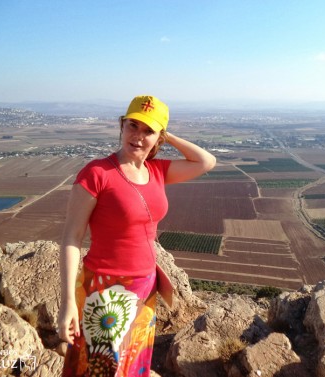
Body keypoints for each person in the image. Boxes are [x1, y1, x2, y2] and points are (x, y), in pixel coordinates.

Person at [58, 95, 216, 376]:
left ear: (159, 137)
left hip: (145, 285)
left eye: (148, 131)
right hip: (105, 289)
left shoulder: (157, 171)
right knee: (99, 368)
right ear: (122, 126)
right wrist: (68, 300)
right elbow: (72, 237)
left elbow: (206, 161)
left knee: (131, 363)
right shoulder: (96, 173)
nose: (138, 136)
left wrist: (166, 135)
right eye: (133, 125)